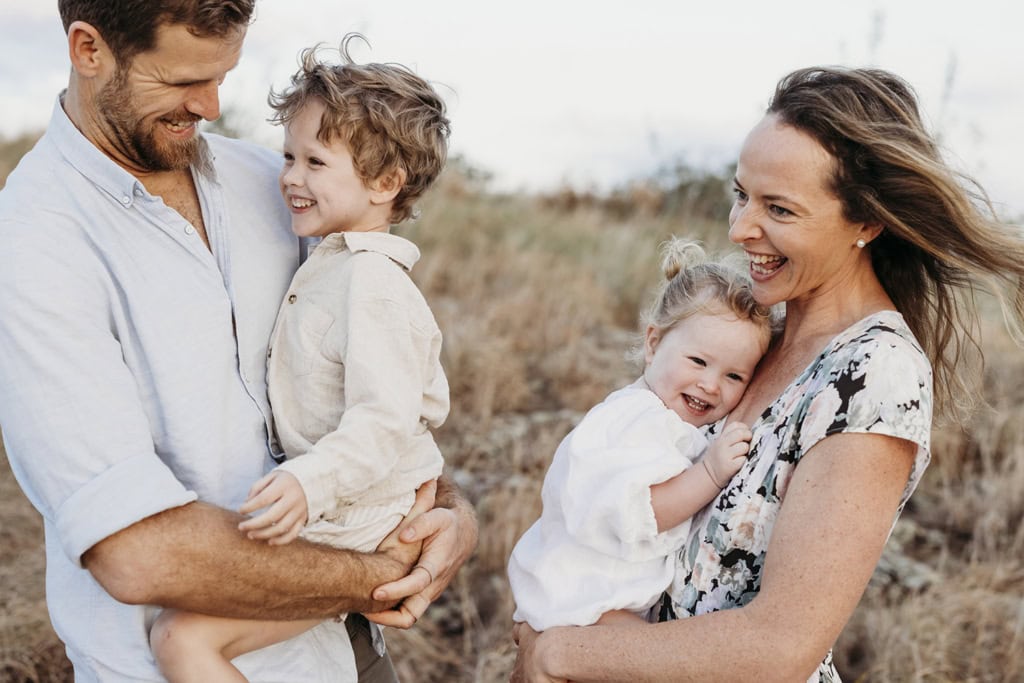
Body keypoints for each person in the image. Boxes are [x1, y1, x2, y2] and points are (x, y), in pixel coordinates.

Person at [0, 3, 476, 682]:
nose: (212, 105)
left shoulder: (276, 184)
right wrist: (379, 570)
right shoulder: (34, 244)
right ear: (88, 50)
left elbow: (368, 389)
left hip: (348, 651)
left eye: (223, 75)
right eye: (184, 79)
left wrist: (451, 515)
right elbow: (137, 551)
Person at [511, 66, 1024, 682]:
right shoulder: (758, 335)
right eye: (741, 195)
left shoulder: (873, 377)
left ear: (866, 222)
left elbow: (781, 647)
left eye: (778, 208)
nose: (738, 229)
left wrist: (560, 652)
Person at [148, 38, 453, 682]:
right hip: (347, 507)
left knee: (183, 640)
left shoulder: (371, 284)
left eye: (316, 161)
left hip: (359, 517)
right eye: (289, 155)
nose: (289, 176)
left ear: (385, 183)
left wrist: (306, 482)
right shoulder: (330, 264)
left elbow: (384, 420)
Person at [508, 239, 772, 631]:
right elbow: (643, 511)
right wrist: (711, 474)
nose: (710, 385)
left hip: (601, 600)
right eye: (698, 361)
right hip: (585, 603)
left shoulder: (667, 419)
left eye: (734, 375)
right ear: (654, 343)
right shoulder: (635, 421)